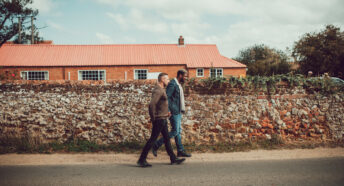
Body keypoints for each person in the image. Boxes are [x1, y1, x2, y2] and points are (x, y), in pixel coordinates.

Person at [137, 73, 185, 167]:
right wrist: (153, 118)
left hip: (163, 118)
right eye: (167, 79)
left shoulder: (161, 89)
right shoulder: (158, 90)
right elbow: (152, 105)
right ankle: (141, 160)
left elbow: (160, 104)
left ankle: (173, 158)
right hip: (159, 119)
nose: (169, 81)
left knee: (167, 139)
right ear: (162, 80)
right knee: (152, 139)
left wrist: (166, 112)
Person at [152, 69, 192, 157]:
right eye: (185, 76)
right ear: (180, 75)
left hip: (178, 111)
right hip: (174, 111)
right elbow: (167, 98)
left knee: (178, 132)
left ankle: (180, 150)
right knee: (175, 131)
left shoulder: (178, 84)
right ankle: (156, 145)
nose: (186, 78)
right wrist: (169, 110)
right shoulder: (173, 84)